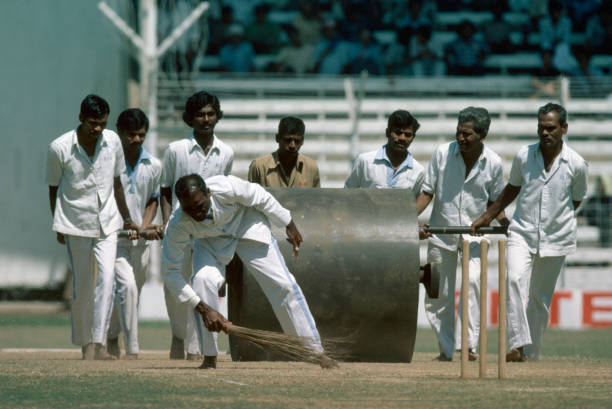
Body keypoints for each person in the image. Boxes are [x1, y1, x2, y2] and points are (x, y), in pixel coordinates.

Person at [162, 174, 331, 369]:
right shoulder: (178, 223)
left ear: (208, 193)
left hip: (247, 226)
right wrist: (204, 308)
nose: (196, 213)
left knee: (283, 285)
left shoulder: (226, 187)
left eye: (200, 205)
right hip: (210, 241)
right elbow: (170, 272)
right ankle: (209, 356)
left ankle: (314, 352)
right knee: (202, 280)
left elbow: (261, 197)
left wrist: (288, 224)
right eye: (188, 209)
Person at [471, 103, 588, 362]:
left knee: (538, 298)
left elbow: (576, 200)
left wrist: (555, 219)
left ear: (564, 129)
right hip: (521, 231)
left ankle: (531, 356)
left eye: (551, 128)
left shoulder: (577, 164)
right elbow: (510, 190)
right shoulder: (524, 155)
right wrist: (487, 217)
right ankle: (517, 346)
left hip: (557, 238)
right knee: (512, 279)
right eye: (541, 128)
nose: (545, 133)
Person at [46, 94, 140, 360]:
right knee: (84, 286)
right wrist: (58, 225)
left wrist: (128, 218)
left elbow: (118, 183)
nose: (97, 129)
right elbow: (53, 190)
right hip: (75, 222)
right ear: (80, 118)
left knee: (107, 278)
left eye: (101, 123)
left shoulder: (112, 142)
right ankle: (85, 342)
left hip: (109, 221)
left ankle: (98, 343)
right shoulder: (59, 148)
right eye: (92, 123)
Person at [415, 107, 508, 362]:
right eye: (459, 132)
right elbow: (427, 192)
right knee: (437, 294)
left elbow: (496, 202)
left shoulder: (494, 162)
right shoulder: (442, 153)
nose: (461, 138)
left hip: (475, 236)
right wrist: (408, 219)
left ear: (483, 134)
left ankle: (467, 346)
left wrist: (505, 224)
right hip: (441, 232)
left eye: (467, 135)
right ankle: (446, 350)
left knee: (474, 285)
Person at [160, 91, 234, 360]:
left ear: (218, 115)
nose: (206, 119)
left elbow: (224, 193)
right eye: (200, 114)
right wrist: (167, 222)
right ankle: (178, 335)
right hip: (180, 227)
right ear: (190, 118)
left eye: (210, 113)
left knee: (203, 283)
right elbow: (165, 190)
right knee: (176, 287)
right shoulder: (175, 149)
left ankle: (195, 348)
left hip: (209, 231)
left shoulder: (226, 152)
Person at [106, 109, 163, 359]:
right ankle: (132, 349)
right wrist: (125, 225)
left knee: (133, 293)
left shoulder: (154, 165)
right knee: (127, 287)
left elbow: (153, 200)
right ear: (119, 132)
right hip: (114, 239)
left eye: (141, 135)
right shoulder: (106, 163)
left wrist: (143, 225)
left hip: (140, 242)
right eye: (131, 135)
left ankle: (110, 336)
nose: (136, 140)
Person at [344, 110, 424, 197]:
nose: (402, 138)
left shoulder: (418, 171)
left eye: (408, 135)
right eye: (398, 132)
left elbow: (412, 205)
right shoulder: (365, 161)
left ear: (413, 137)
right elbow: (347, 192)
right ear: (387, 132)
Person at [248, 116, 320, 188]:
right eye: (288, 140)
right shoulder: (259, 167)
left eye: (297, 141)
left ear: (302, 141)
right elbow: (250, 197)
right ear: (277, 138)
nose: (292, 145)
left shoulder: (311, 168)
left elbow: (317, 198)